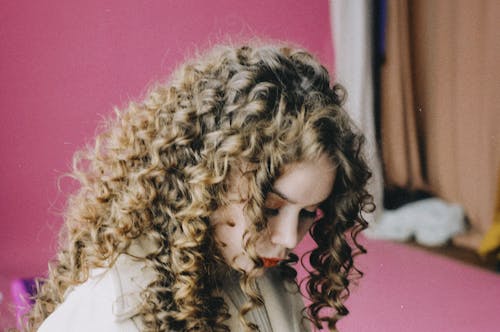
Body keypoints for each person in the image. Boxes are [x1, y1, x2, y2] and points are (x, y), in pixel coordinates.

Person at [27, 44, 373, 332]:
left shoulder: (268, 282)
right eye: (269, 207)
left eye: (308, 212)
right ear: (208, 176)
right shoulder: (115, 310)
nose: (289, 238)